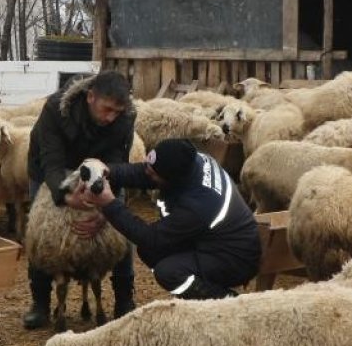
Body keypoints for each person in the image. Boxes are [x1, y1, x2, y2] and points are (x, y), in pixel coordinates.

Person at [23, 70, 136, 329]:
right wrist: (64, 196)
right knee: (40, 231)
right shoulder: (56, 109)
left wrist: (107, 210)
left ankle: (124, 299)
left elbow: (118, 162)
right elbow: (51, 161)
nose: (111, 117)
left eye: (117, 112)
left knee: (121, 229)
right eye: (107, 109)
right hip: (50, 167)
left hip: (100, 167)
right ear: (90, 96)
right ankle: (40, 302)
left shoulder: (126, 117)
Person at [80, 138, 261, 300]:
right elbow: (145, 173)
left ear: (172, 179)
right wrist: (109, 170)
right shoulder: (189, 161)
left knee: (169, 272)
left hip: (235, 258)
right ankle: (192, 294)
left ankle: (226, 302)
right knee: (150, 252)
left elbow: (151, 238)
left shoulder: (198, 206)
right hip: (211, 240)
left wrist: (109, 204)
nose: (148, 173)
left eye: (153, 173)